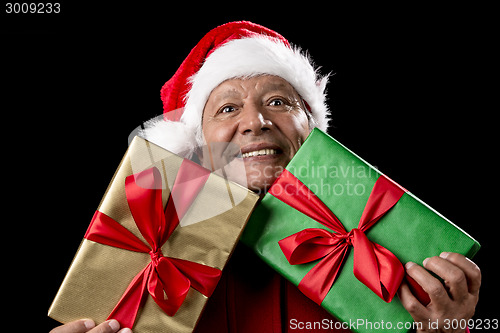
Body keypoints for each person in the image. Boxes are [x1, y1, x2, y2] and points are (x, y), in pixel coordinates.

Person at [50, 21, 481, 333]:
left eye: (278, 101)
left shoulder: (409, 264)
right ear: (196, 145)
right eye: (227, 108)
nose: (255, 122)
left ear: (312, 130)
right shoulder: (137, 272)